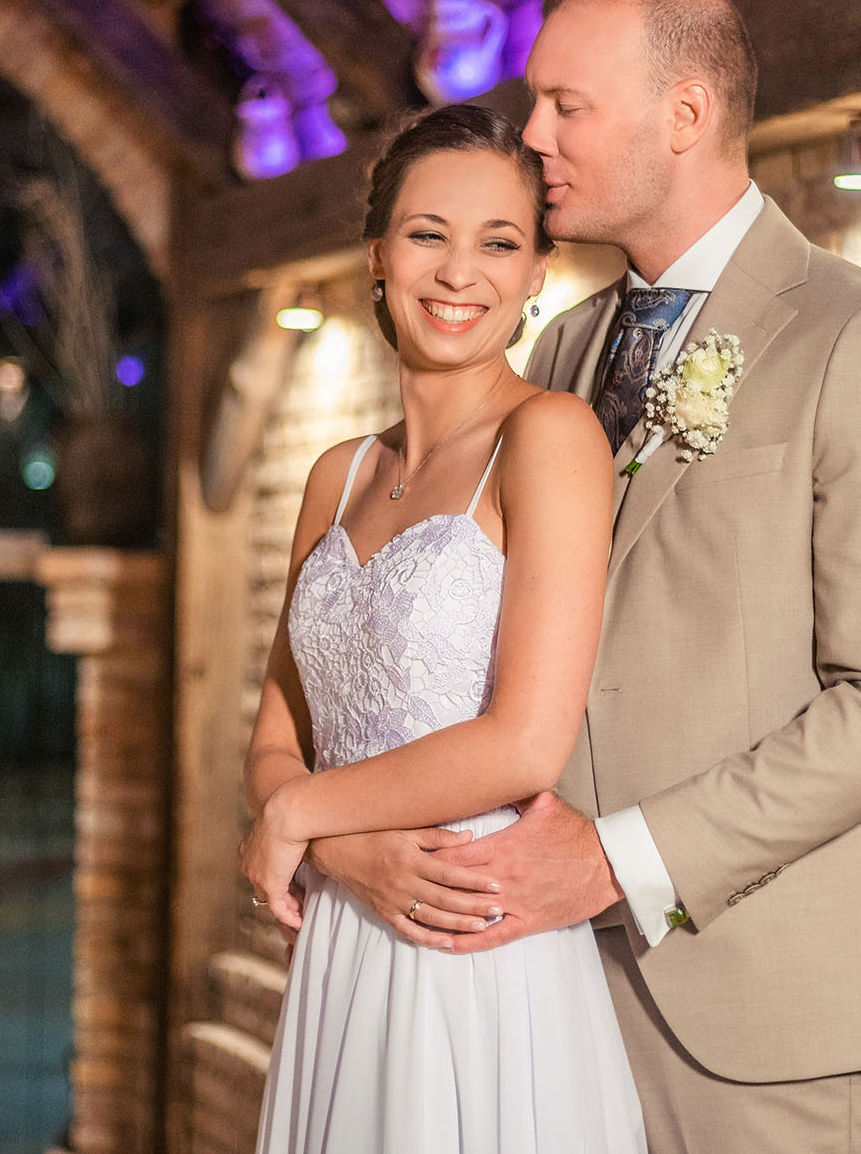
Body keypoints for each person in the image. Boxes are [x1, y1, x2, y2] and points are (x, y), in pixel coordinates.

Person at [300, 0, 861, 1152]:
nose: (535, 136)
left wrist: (619, 860)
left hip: (765, 1009)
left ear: (686, 112)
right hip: (538, 988)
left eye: (569, 106)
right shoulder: (559, 349)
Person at [240, 103, 648, 1152]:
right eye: (428, 234)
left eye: (499, 243)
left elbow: (525, 742)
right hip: (344, 935)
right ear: (379, 257)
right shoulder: (337, 476)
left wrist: (301, 818)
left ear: (537, 272)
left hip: (474, 936)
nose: (459, 271)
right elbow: (277, 734)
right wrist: (340, 848)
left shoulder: (549, 436)